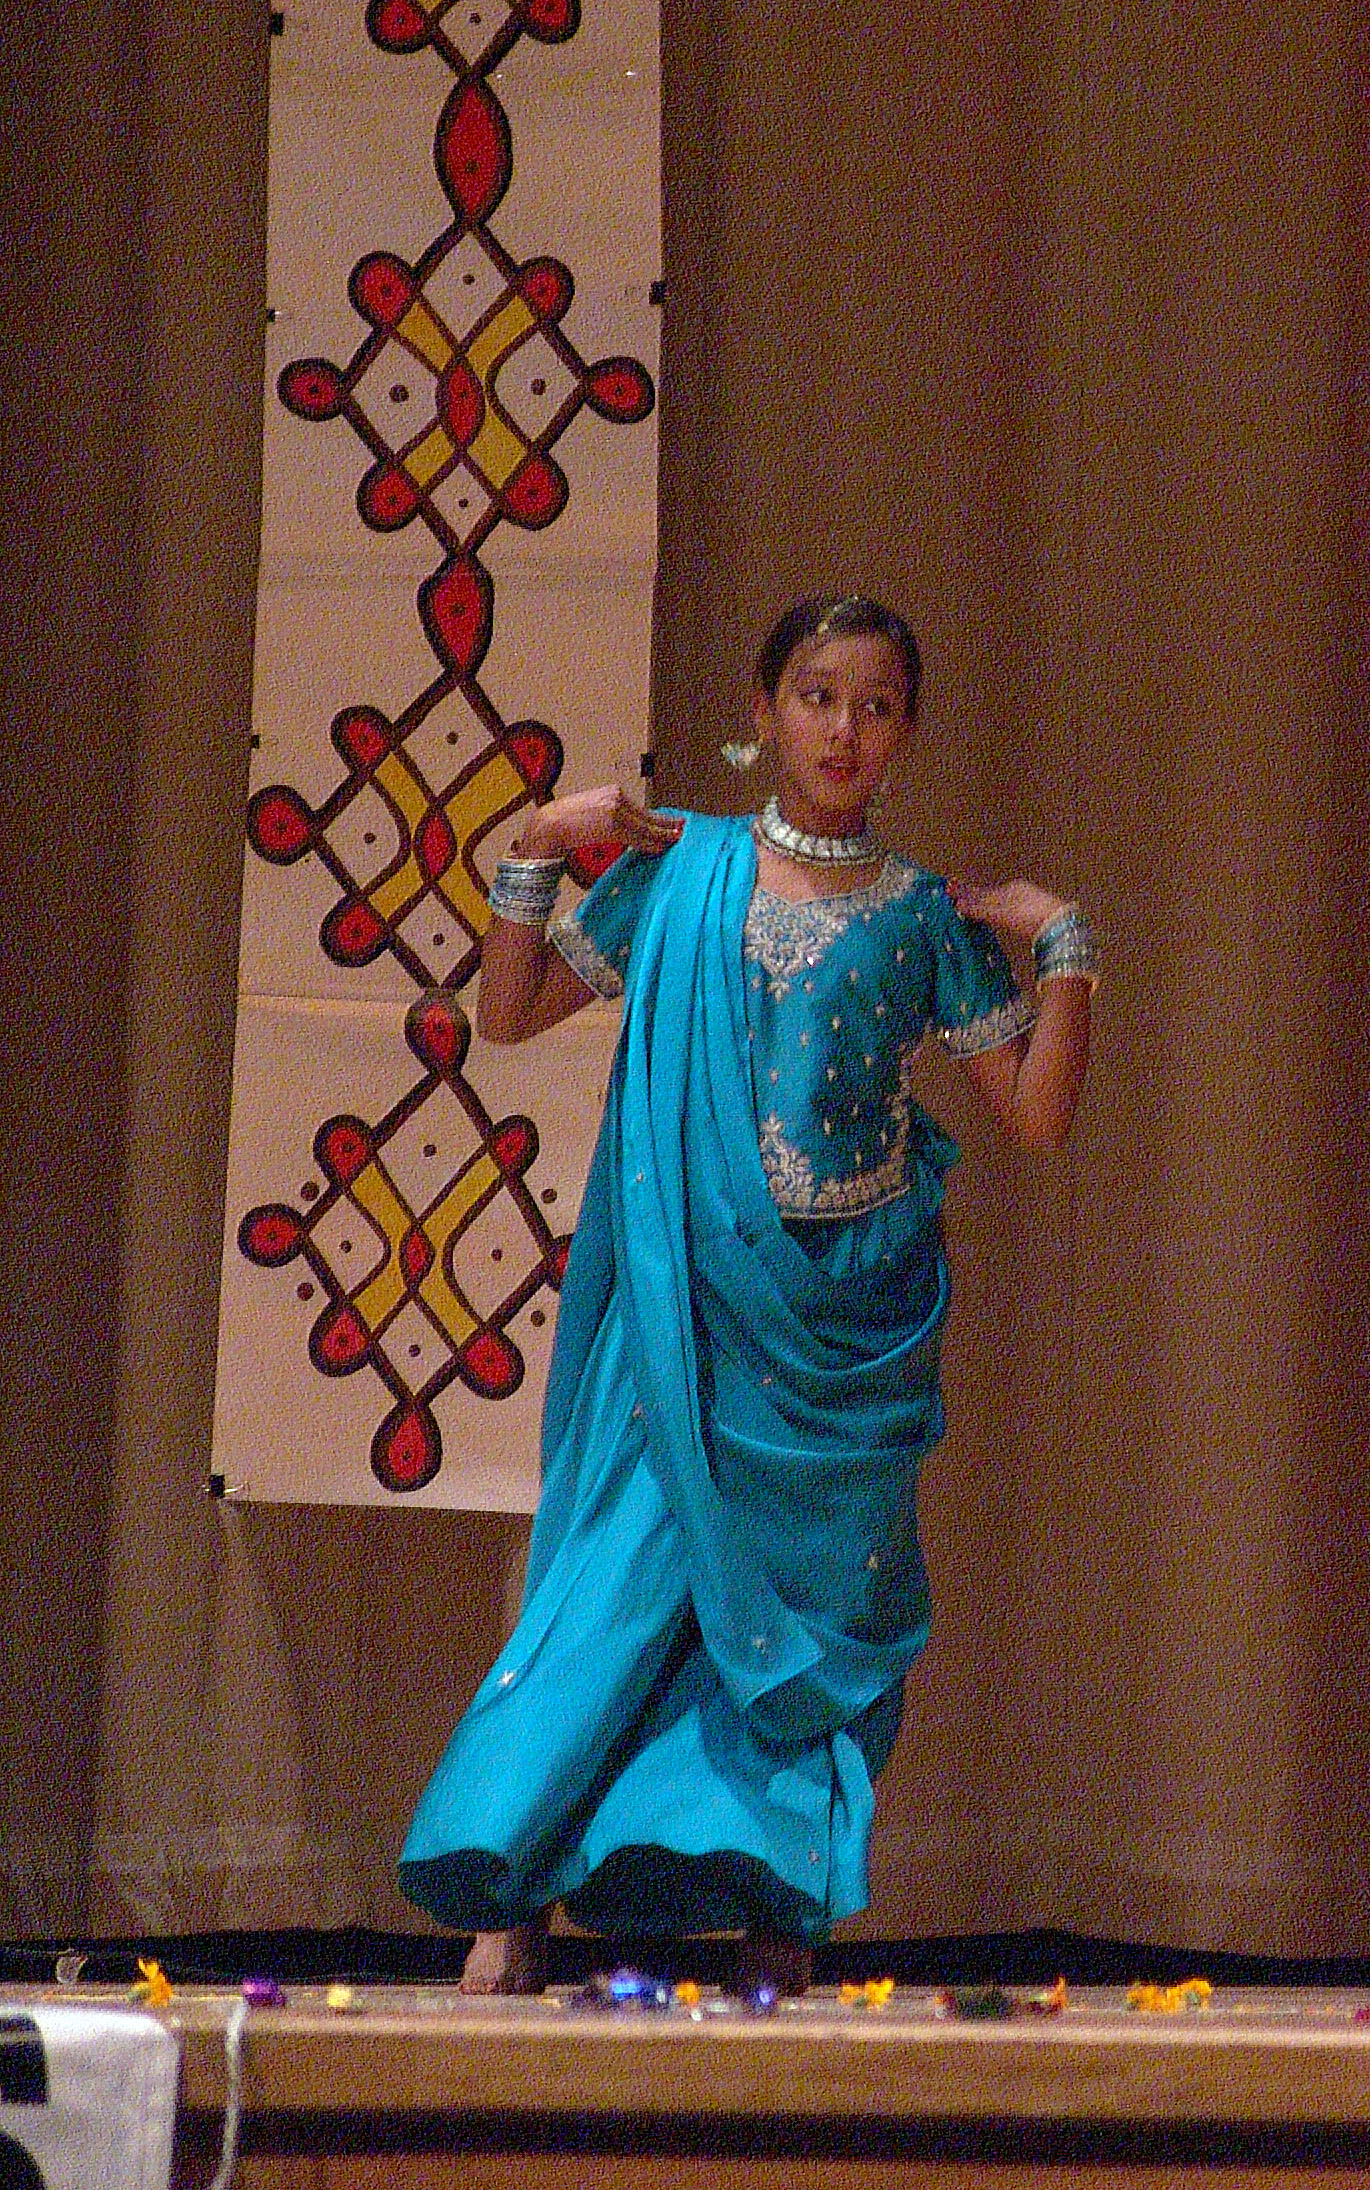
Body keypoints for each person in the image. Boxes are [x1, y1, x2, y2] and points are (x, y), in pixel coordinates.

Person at [399, 594, 1096, 1995]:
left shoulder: (922, 917)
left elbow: (1036, 1113)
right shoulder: (684, 875)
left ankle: (778, 1910)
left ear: (908, 730)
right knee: (612, 1592)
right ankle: (512, 1898)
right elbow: (510, 1013)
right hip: (679, 1308)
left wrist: (1066, 943)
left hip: (841, 1332)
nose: (846, 730)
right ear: (766, 711)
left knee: (812, 1618)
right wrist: (538, 844)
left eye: (878, 706)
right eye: (819, 697)